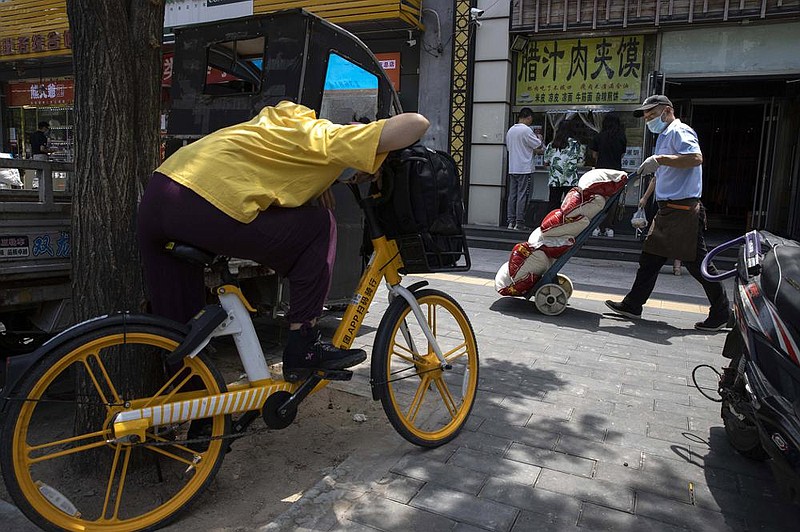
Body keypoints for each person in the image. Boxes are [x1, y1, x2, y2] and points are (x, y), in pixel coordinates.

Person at [138, 100, 430, 382]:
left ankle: (181, 404)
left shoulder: (283, 127)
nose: (361, 178)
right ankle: (303, 345)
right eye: (369, 171)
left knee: (180, 329)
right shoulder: (329, 137)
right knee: (319, 226)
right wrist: (374, 140)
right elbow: (417, 123)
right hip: (203, 205)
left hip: (160, 193)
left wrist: (321, 183)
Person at [605, 95, 730, 331]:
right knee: (650, 259)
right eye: (645, 116)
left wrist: (659, 159)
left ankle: (723, 312)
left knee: (698, 264)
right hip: (667, 210)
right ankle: (633, 304)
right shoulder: (664, 136)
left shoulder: (679, 131)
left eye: (652, 114)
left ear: (667, 110)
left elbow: (695, 158)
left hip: (683, 210)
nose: (648, 119)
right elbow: (662, 172)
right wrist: (645, 192)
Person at [589, 112, 627, 237]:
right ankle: (609, 227)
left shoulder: (599, 136)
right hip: (616, 172)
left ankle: (597, 227)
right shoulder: (621, 137)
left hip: (601, 173)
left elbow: (594, 155)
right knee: (613, 201)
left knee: (599, 200)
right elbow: (622, 154)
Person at [505, 107, 543, 231]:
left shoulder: (510, 130)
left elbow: (510, 148)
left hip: (513, 167)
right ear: (528, 117)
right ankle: (519, 222)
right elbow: (537, 144)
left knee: (513, 195)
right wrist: (540, 138)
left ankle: (510, 221)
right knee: (523, 195)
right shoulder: (526, 130)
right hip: (524, 168)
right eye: (531, 119)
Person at [638, 176, 682, 275]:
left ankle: (676, 264)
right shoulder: (666, 164)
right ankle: (676, 265)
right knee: (670, 233)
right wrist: (645, 198)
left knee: (674, 233)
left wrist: (645, 198)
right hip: (668, 203)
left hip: (671, 203)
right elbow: (655, 179)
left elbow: (655, 179)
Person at [544, 118, 586, 213]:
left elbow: (546, 161)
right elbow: (581, 160)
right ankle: (567, 225)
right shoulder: (576, 144)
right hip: (570, 179)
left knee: (553, 204)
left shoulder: (552, 144)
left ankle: (551, 224)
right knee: (570, 205)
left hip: (555, 179)